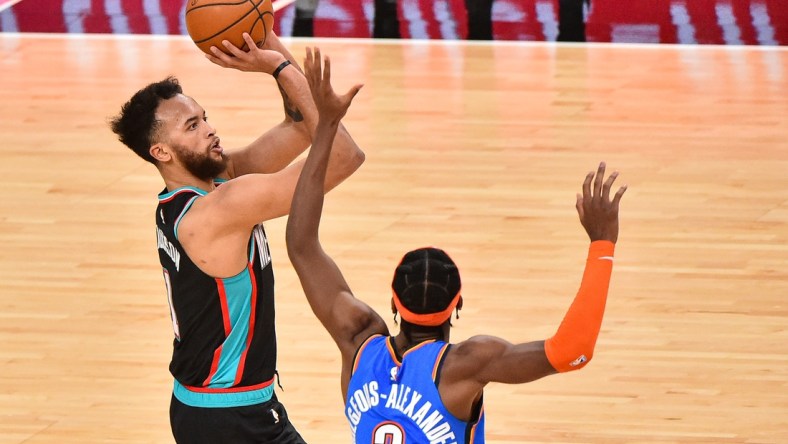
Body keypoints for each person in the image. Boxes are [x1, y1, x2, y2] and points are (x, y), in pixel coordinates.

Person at [286, 50, 627, 443]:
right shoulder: (464, 366)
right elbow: (573, 351)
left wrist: (326, 127)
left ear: (394, 303)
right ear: (458, 305)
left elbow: (301, 244)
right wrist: (603, 243)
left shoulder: (358, 340)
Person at [109, 31, 364, 443]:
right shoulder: (219, 210)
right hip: (229, 417)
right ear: (161, 152)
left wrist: (264, 35)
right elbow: (343, 156)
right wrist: (278, 68)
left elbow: (299, 126)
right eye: (193, 126)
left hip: (220, 408)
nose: (210, 130)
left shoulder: (208, 186)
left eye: (204, 117)